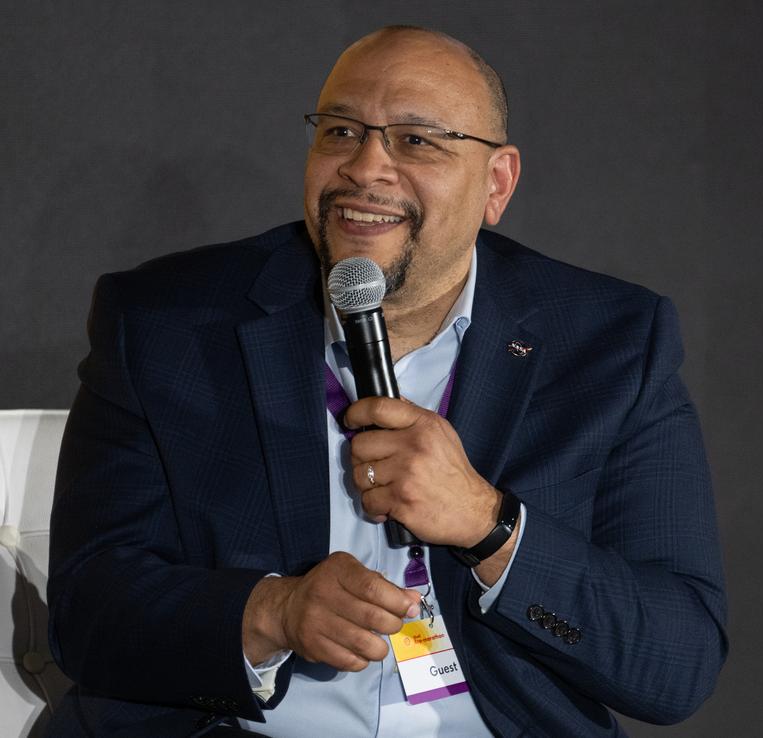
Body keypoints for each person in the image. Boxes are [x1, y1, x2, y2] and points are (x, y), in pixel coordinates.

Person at [47, 25, 727, 737]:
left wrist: (488, 524)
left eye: (416, 140)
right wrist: (271, 612)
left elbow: (676, 663)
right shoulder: (168, 323)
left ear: (497, 183)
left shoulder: (612, 343)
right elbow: (86, 610)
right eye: (341, 130)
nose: (365, 167)